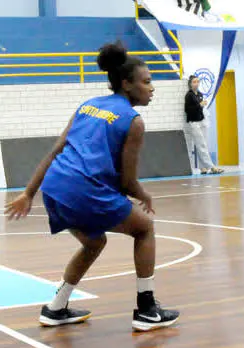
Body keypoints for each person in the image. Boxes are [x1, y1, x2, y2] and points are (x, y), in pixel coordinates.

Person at [5, 42, 179, 332]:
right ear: (126, 84)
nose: (152, 88)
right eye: (147, 81)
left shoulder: (88, 105)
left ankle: (56, 308)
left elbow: (55, 150)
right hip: (84, 190)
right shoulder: (133, 121)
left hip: (55, 188)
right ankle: (147, 310)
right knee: (144, 228)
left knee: (94, 242)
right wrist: (143, 195)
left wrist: (28, 193)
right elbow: (127, 181)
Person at [184, 75, 224, 175]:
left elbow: (200, 109)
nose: (196, 84)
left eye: (197, 81)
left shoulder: (200, 94)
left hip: (201, 121)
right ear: (190, 84)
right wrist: (199, 105)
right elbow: (188, 110)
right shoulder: (189, 95)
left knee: (204, 144)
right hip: (193, 123)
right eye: (194, 82)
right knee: (201, 144)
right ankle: (212, 167)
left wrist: (202, 108)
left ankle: (203, 167)